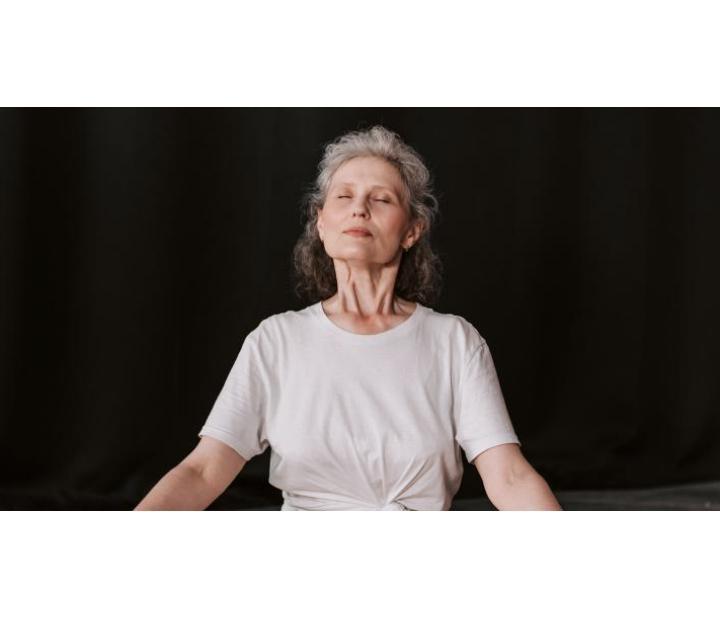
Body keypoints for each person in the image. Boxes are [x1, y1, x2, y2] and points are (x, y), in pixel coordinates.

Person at [135, 125, 562, 511]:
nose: (359, 209)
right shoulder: (275, 341)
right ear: (321, 223)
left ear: (412, 229)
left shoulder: (455, 342)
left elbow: (509, 476)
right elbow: (203, 471)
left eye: (381, 199)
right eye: (344, 197)